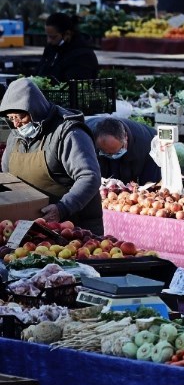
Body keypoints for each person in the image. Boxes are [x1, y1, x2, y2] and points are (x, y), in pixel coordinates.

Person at [0, 78, 103, 235]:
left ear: (35, 110)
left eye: (20, 117)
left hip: (74, 227)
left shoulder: (68, 133)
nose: (16, 124)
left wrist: (63, 208)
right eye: (11, 118)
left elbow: (89, 176)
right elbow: (8, 177)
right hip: (32, 227)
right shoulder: (15, 137)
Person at [86, 116, 161, 185]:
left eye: (116, 152)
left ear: (126, 137)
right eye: (106, 153)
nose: (112, 156)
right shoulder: (83, 138)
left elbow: (150, 181)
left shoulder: (148, 143)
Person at [36, 13, 99, 83]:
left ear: (67, 34)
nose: (49, 41)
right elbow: (39, 72)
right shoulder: (51, 49)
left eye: (53, 37)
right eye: (47, 36)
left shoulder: (83, 56)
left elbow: (74, 86)